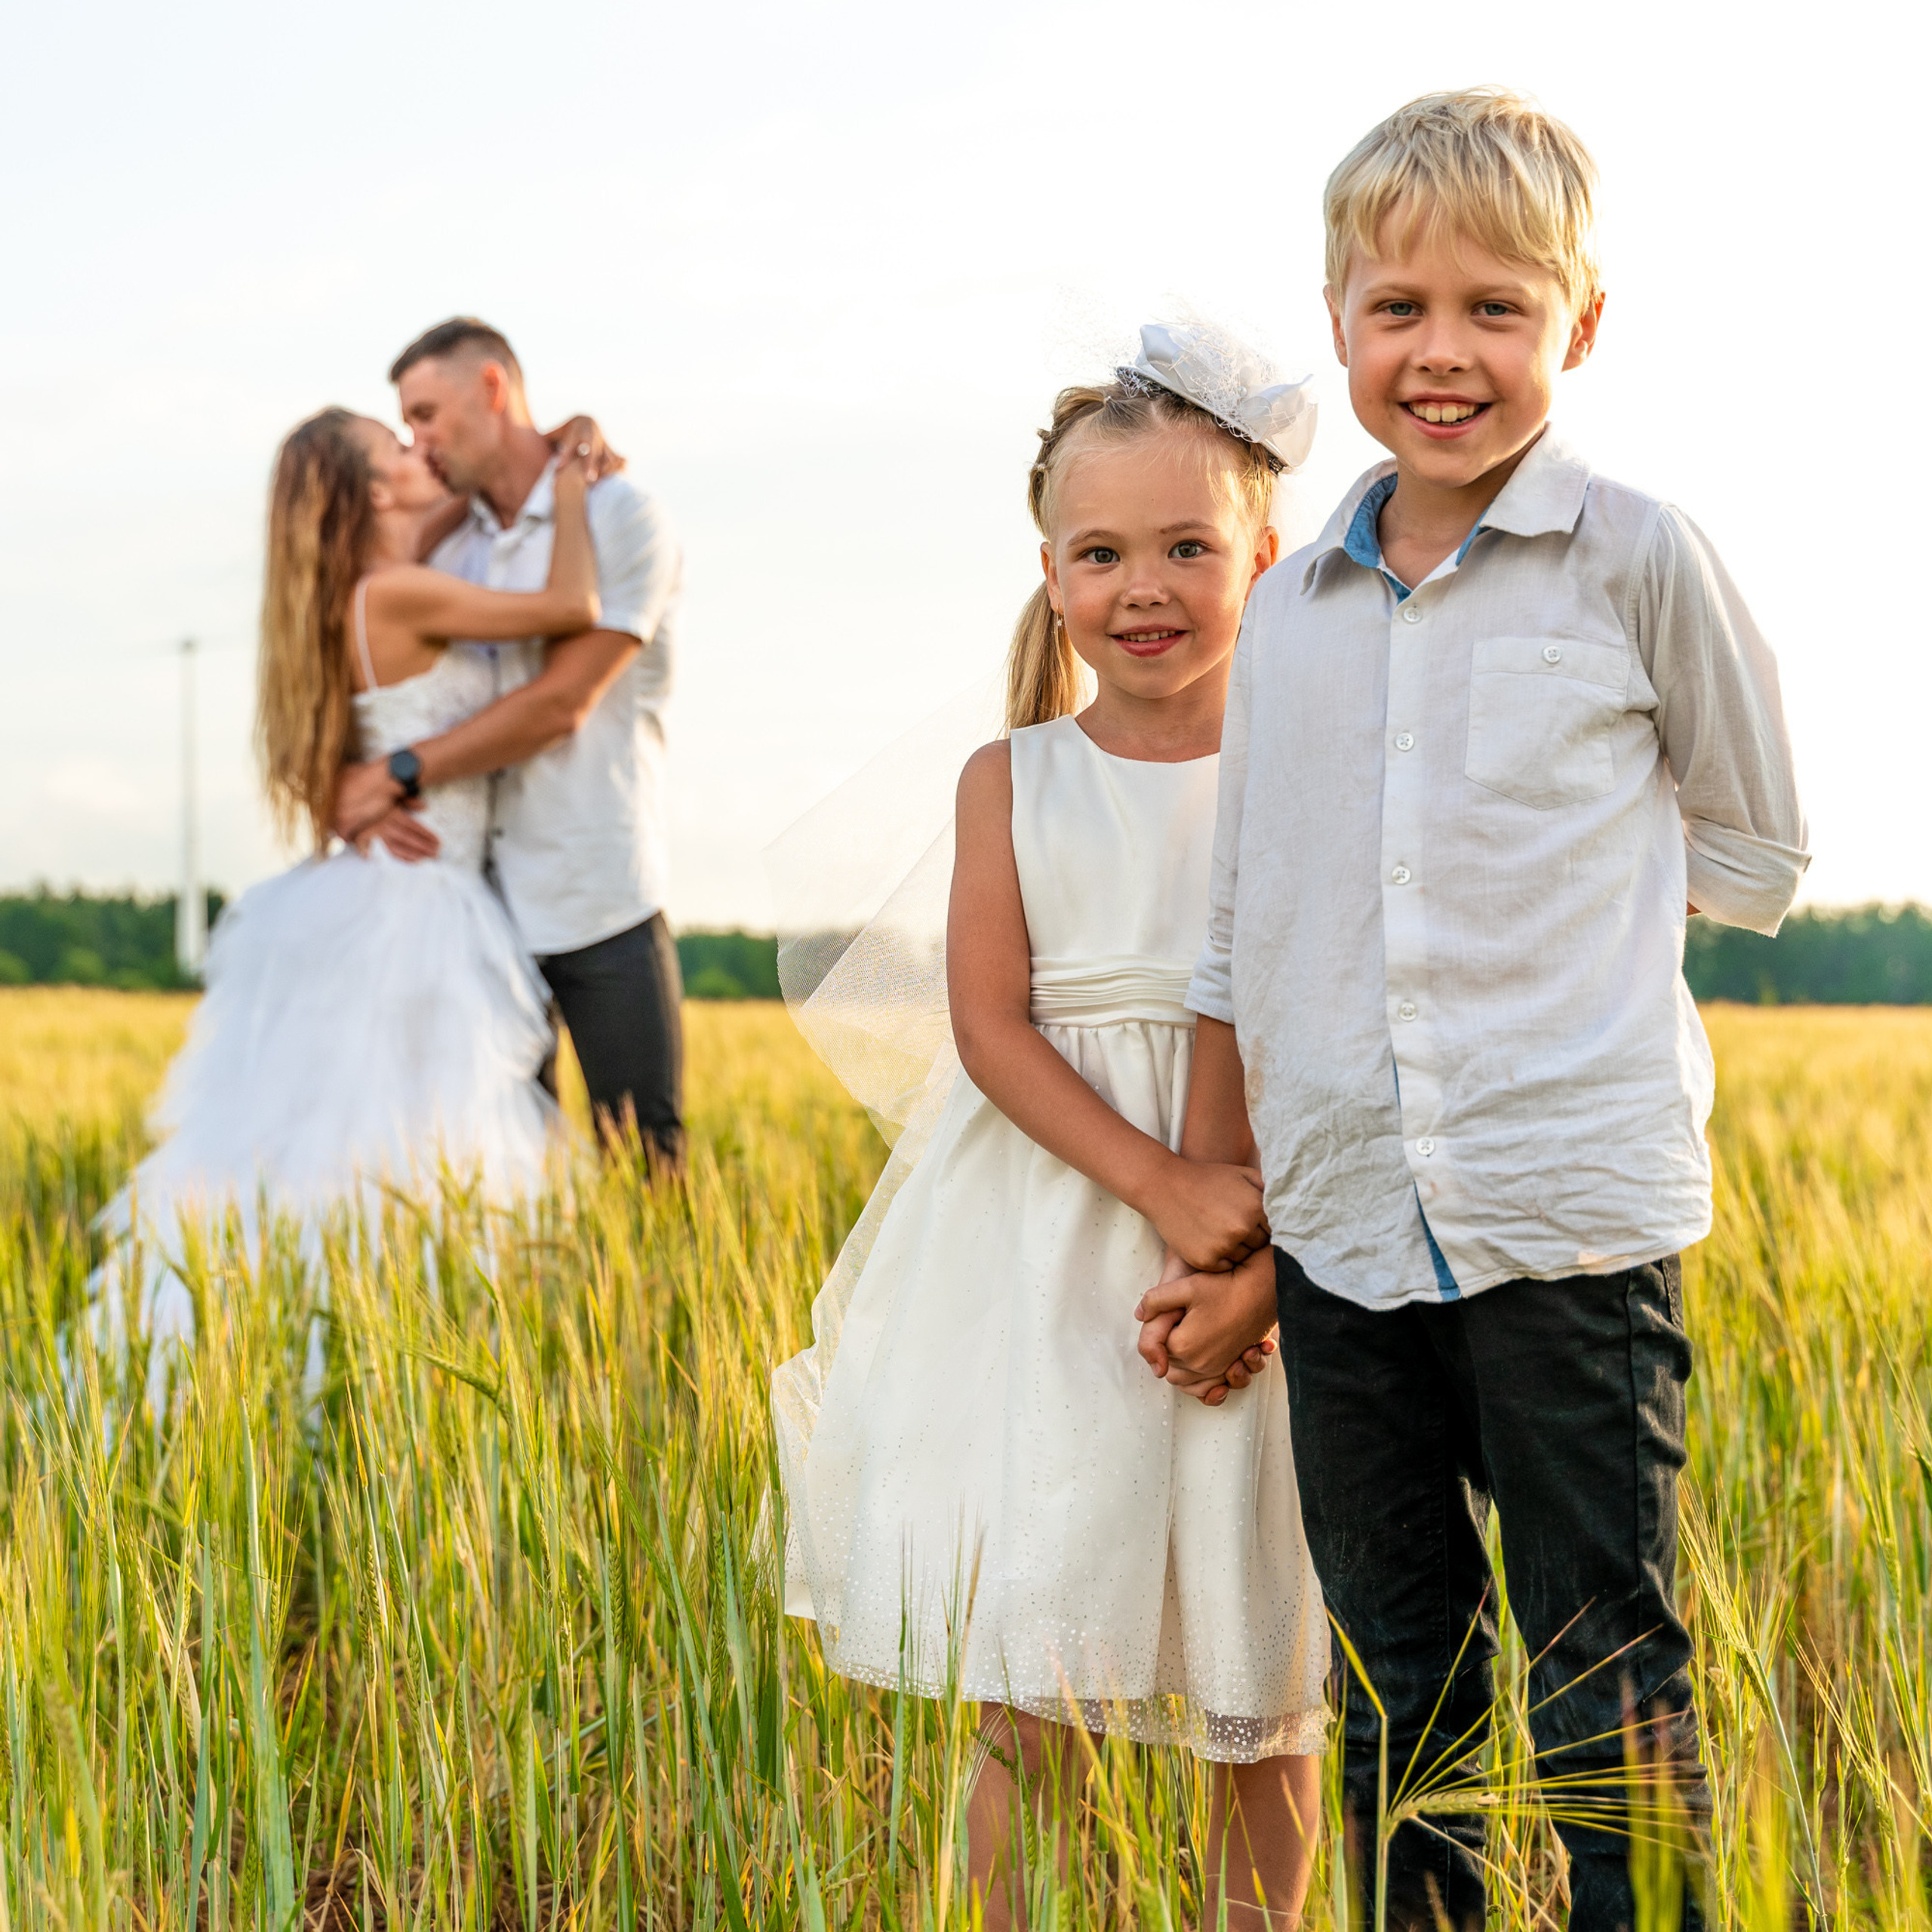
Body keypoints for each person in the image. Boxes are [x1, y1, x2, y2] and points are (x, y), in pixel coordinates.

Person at [1137, 90, 1809, 1931]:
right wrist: (1227, 1220)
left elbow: (1750, 846)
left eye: (1495, 310)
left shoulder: (1635, 559)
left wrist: (1556, 926)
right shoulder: (1286, 617)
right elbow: (1239, 930)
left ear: (1574, 327)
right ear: (1340, 317)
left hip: (1569, 1220)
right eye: (1396, 307)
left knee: (1601, 1675)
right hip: (1349, 1237)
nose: (1441, 352)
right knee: (1395, 1685)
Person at [774, 325, 1329, 1930]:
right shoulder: (1006, 778)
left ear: (1262, 560)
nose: (1140, 585)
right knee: (1031, 1645)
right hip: (1043, 1241)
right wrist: (1163, 1180)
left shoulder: (1301, 767)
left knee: (1258, 1657)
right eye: (1100, 552)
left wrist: (1241, 1219)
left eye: (1185, 547)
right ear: (1048, 568)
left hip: (1262, 1224)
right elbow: (989, 1028)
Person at [105, 408, 608, 1325]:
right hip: (427, 911)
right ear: (376, 490)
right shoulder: (398, 594)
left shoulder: (349, 597)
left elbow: (455, 504)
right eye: (399, 446)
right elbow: (572, 608)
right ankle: (391, 1329)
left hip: (381, 895)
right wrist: (569, 480)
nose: (423, 450)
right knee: (418, 1149)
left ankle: (302, 1327)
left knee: (341, 1150)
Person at [332, 318, 686, 1170]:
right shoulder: (444, 543)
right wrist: (349, 797)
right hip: (476, 915)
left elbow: (560, 702)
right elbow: (362, 680)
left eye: (425, 413)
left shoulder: (620, 514)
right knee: (500, 1186)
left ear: (491, 389)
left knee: (649, 1172)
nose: (416, 439)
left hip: (599, 897)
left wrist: (398, 774)